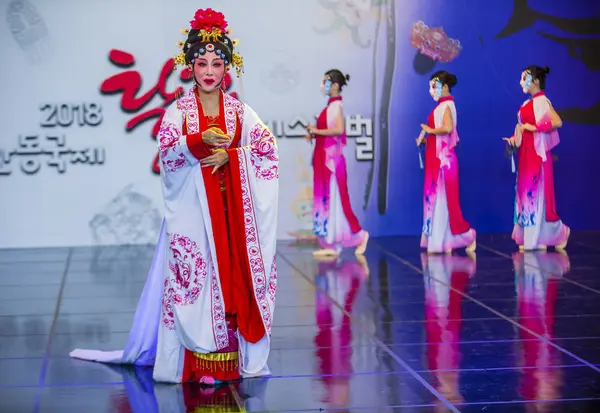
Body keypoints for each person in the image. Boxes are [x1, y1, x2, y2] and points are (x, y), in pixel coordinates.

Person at [70, 8, 279, 385]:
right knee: (195, 284)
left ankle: (231, 358)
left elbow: (267, 150)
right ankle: (198, 363)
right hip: (194, 216)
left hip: (232, 215)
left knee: (233, 282)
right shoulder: (178, 112)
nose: (210, 71)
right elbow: (167, 156)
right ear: (190, 66)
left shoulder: (239, 112)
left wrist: (231, 158)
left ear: (228, 66)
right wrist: (196, 143)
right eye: (202, 63)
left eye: (217, 63)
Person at [503, 66, 569, 251]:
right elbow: (521, 128)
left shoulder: (542, 102)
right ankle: (532, 236)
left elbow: (557, 122)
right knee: (525, 194)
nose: (521, 82)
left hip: (538, 155)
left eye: (525, 78)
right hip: (525, 153)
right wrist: (514, 139)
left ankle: (552, 234)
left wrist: (535, 127)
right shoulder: (525, 105)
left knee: (536, 195)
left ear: (536, 81)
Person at [305, 69, 369, 258]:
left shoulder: (336, 107)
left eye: (326, 82)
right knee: (327, 200)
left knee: (338, 199)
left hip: (332, 162)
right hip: (324, 160)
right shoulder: (329, 106)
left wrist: (316, 131)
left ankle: (359, 235)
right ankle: (331, 243)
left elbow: (338, 129)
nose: (322, 86)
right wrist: (313, 133)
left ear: (335, 86)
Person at [417, 70, 476, 254]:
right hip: (437, 159)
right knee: (436, 200)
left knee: (443, 201)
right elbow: (442, 134)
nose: (431, 90)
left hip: (444, 161)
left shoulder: (448, 106)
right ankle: (444, 240)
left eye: (434, 86)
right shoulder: (441, 107)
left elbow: (448, 128)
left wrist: (430, 130)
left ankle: (460, 236)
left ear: (444, 87)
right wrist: (427, 139)